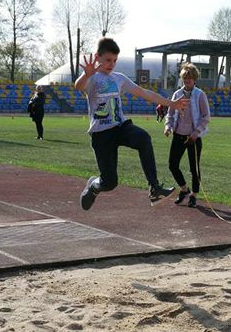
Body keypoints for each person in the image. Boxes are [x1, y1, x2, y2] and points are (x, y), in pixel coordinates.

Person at [75, 37, 188, 210]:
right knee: (110, 182)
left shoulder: (119, 78)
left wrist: (171, 104)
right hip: (101, 134)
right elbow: (78, 86)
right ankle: (93, 186)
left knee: (143, 138)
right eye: (107, 60)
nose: (111, 64)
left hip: (120, 127)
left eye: (114, 61)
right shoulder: (92, 79)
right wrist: (86, 74)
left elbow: (144, 92)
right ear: (97, 57)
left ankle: (154, 189)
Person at [164, 63, 211, 208]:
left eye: (190, 79)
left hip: (193, 138)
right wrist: (168, 127)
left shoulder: (200, 95)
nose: (187, 81)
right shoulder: (177, 94)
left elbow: (206, 116)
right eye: (185, 79)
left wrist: (197, 132)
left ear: (194, 79)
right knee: (172, 165)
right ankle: (184, 190)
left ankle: (194, 195)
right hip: (178, 135)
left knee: (194, 169)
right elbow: (170, 115)